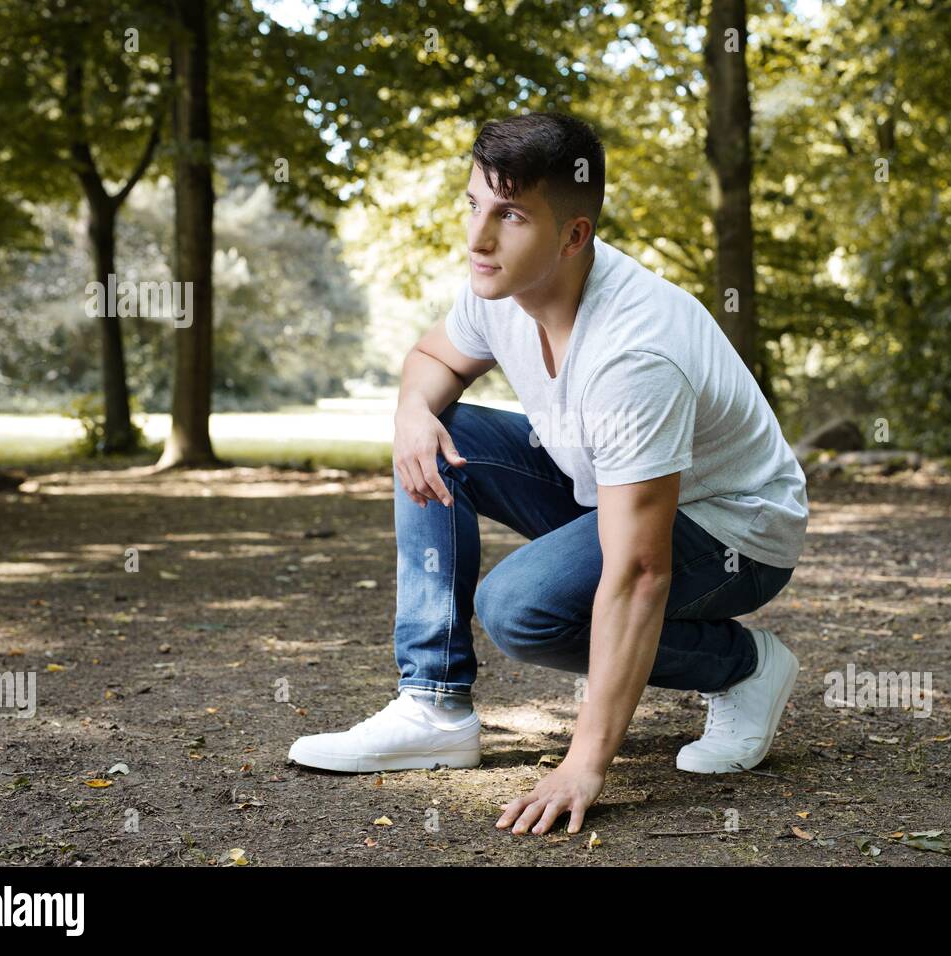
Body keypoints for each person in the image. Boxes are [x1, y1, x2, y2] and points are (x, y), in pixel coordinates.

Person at [289, 111, 808, 837]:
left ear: (573, 236)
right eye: (474, 204)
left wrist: (584, 763)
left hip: (735, 530)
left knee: (520, 609)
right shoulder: (497, 286)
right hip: (604, 485)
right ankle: (433, 704)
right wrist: (411, 413)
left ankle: (744, 664)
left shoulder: (635, 355)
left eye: (510, 215)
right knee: (443, 435)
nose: (477, 236)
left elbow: (638, 573)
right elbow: (432, 360)